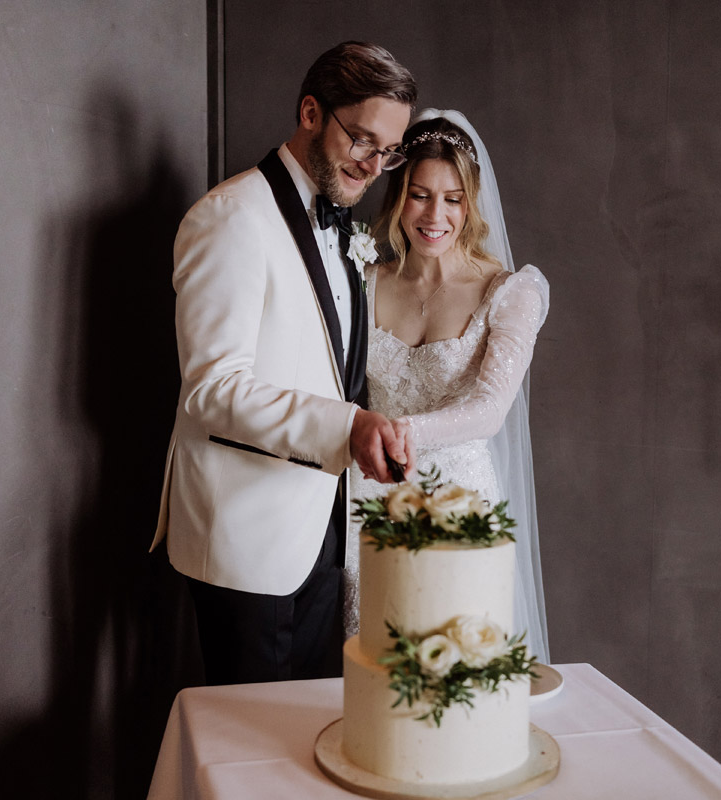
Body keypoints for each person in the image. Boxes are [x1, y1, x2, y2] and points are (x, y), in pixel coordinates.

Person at [150, 42, 418, 686]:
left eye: (389, 152)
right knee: (252, 752)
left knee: (300, 740)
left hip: (320, 536)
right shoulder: (229, 218)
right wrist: (344, 426)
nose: (375, 166)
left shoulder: (344, 227)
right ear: (309, 112)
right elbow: (211, 391)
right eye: (362, 140)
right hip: (246, 540)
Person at [346, 110, 551, 664]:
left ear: (472, 203)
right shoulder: (363, 283)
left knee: (453, 675)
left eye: (454, 198)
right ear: (398, 194)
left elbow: (488, 412)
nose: (435, 214)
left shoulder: (509, 292)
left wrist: (389, 430)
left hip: (461, 505)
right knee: (368, 676)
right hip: (368, 506)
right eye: (420, 194)